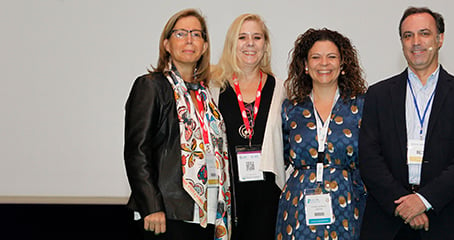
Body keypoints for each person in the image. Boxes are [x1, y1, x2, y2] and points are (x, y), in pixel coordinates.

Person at [358, 6, 454, 240]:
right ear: (402, 42)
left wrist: (423, 201)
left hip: (444, 221)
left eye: (424, 33)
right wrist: (403, 205)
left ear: (440, 39)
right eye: (408, 35)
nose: (416, 42)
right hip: (387, 222)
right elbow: (369, 157)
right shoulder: (378, 94)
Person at [124, 8, 231, 240]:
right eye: (181, 33)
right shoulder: (151, 86)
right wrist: (151, 205)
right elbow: (136, 151)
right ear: (167, 44)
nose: (189, 39)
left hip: (206, 213)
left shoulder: (206, 95)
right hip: (167, 213)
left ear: (204, 46)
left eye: (196, 34)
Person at [275, 28, 368, 240]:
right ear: (305, 65)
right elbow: (280, 159)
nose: (324, 63)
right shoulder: (290, 109)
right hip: (298, 206)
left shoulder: (362, 106)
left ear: (343, 64)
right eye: (316, 57)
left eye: (331, 57)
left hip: (348, 203)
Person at [209, 13, 285, 240]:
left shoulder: (282, 89)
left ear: (266, 45)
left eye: (257, 37)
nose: (250, 43)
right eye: (242, 37)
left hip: (269, 200)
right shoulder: (213, 89)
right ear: (233, 44)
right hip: (227, 200)